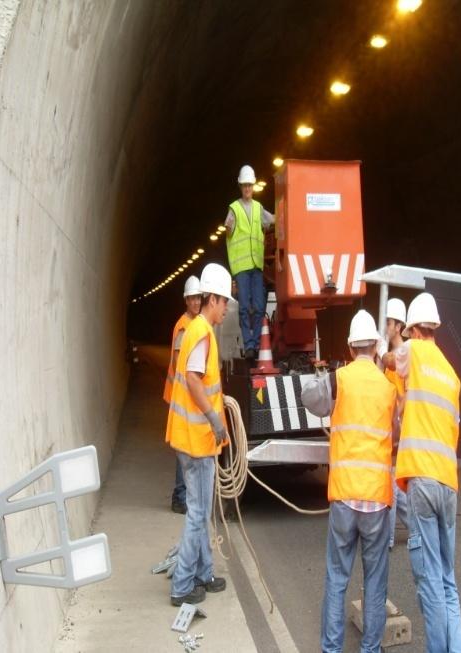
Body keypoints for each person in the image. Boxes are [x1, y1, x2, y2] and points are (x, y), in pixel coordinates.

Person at [301, 310, 396, 653]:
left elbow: (308, 398)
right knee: (374, 584)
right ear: (375, 344)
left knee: (337, 579)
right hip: (376, 500)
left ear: (350, 346)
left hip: (344, 497)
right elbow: (395, 433)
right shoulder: (388, 389)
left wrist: (328, 377)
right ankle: (370, 649)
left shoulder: (340, 380)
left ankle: (331, 649)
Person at [388, 292, 461, 652]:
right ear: (434, 327)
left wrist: (381, 355)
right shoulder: (452, 376)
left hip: (420, 479)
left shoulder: (413, 351)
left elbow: (392, 359)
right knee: (447, 580)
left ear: (413, 330)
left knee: (430, 582)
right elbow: (454, 432)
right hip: (448, 483)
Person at [166, 263, 233, 606]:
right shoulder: (202, 333)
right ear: (214, 299)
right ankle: (181, 586)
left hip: (196, 438)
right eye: (225, 303)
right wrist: (214, 418)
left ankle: (204, 573)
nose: (226, 310)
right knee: (197, 512)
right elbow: (193, 379)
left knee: (202, 510)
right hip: (196, 440)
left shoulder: (198, 330)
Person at [224, 164, 275, 361]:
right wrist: (228, 228)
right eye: (244, 185)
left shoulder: (258, 208)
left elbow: (272, 220)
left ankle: (254, 341)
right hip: (242, 268)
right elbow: (227, 228)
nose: (247, 189)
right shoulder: (234, 209)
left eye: (249, 186)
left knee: (259, 305)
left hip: (256, 265)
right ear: (240, 187)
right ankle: (250, 345)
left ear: (253, 187)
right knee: (245, 306)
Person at [164, 275, 202, 514]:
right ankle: (179, 496)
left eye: (199, 297)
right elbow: (180, 362)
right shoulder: (183, 326)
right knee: (183, 447)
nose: (196, 302)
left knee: (188, 447)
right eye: (193, 298)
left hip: (186, 396)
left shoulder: (196, 324)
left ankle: (185, 494)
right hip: (180, 396)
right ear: (186, 300)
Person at [377, 298, 409, 549]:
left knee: (391, 485)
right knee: (396, 487)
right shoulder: (391, 360)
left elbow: (401, 399)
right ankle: (418, 529)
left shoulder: (404, 354)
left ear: (398, 326)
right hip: (392, 430)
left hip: (398, 432)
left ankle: (385, 538)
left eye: (388, 323)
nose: (385, 327)